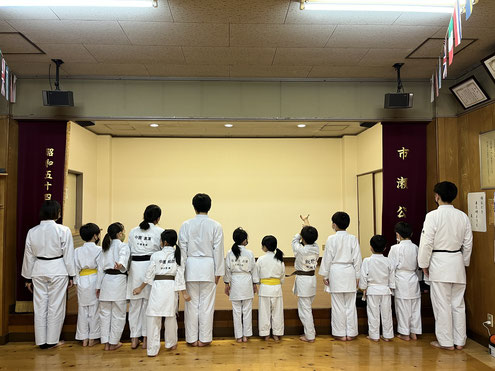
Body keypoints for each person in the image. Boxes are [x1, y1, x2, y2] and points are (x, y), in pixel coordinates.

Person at [418, 181, 473, 350]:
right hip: (457, 262)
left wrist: (423, 264)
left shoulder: (433, 216)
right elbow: (468, 242)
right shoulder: (462, 216)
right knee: (458, 304)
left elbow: (426, 243)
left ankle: (446, 342)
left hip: (439, 262)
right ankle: (459, 341)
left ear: (437, 196)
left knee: (442, 304)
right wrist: (464, 261)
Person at [21, 200, 75, 349]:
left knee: (40, 306)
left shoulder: (32, 231)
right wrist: (72, 275)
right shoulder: (63, 230)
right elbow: (68, 255)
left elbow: (28, 255)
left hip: (38, 269)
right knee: (55, 305)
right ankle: (52, 340)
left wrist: (27, 277)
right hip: (58, 269)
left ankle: (41, 341)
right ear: (56, 213)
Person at [133, 229, 191, 357]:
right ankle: (171, 343)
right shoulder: (179, 255)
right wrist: (184, 293)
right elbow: (180, 276)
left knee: (153, 317)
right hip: (171, 288)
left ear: (164, 242)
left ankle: (152, 349)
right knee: (170, 317)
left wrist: (140, 288)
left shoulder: (156, 255)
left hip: (158, 287)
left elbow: (149, 275)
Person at [179, 193, 224, 347]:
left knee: (191, 305)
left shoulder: (186, 224)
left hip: (191, 266)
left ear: (194, 207)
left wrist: (182, 271)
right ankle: (204, 339)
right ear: (209, 207)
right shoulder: (216, 225)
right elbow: (218, 250)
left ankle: (191, 339)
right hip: (208, 267)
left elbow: (182, 250)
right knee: (207, 305)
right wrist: (218, 272)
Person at [318, 211, 361, 341]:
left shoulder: (331, 239)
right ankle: (351, 333)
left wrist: (325, 275)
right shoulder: (353, 238)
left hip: (336, 272)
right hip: (350, 272)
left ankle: (340, 333)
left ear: (334, 225)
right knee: (350, 304)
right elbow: (357, 259)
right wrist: (358, 276)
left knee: (337, 305)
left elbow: (327, 258)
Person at [127, 204, 164, 349]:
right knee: (149, 305)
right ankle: (147, 339)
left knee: (135, 306)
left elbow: (129, 251)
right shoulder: (160, 231)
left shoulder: (133, 231)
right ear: (158, 218)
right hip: (151, 267)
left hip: (135, 268)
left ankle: (134, 339)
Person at [96, 222, 130, 351]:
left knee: (104, 314)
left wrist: (97, 287)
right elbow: (123, 258)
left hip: (105, 281)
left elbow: (100, 269)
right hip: (118, 281)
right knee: (118, 314)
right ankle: (114, 342)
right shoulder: (123, 246)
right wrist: (120, 264)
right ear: (119, 234)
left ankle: (106, 342)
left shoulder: (105, 247)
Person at [388, 222, 421, 341]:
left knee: (402, 307)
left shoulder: (395, 248)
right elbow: (418, 265)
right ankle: (414, 332)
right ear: (411, 233)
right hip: (413, 277)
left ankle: (404, 333)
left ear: (397, 234)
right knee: (415, 307)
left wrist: (391, 285)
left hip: (401, 278)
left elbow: (391, 267)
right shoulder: (416, 247)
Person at [224, 227, 257, 343]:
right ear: (244, 240)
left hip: (235, 282)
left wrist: (226, 283)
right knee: (247, 310)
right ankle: (246, 335)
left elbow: (227, 269)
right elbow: (254, 269)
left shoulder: (229, 253)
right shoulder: (250, 253)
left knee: (236, 310)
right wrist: (254, 283)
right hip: (247, 281)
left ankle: (238, 336)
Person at [359, 235, 395, 342]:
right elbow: (392, 277)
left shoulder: (367, 261)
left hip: (372, 290)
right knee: (387, 313)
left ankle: (374, 335)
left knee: (373, 313)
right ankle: (387, 335)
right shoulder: (389, 261)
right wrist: (392, 288)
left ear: (371, 247)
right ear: (385, 248)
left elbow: (364, 276)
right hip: (385, 290)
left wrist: (363, 288)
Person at [291, 215, 319, 343]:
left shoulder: (300, 250)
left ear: (303, 238)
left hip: (303, 281)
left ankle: (310, 335)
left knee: (305, 310)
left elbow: (294, 240)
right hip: (312, 280)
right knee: (307, 307)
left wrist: (301, 232)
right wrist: (306, 223)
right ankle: (310, 332)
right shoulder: (316, 248)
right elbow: (308, 237)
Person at [74, 223, 102, 347]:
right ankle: (93, 338)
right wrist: (100, 284)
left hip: (81, 279)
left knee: (82, 310)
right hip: (95, 279)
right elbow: (101, 268)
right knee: (94, 310)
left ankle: (83, 338)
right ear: (95, 236)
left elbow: (74, 268)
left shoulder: (77, 250)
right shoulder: (99, 250)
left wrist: (75, 283)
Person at [255, 235, 285, 341]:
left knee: (264, 312)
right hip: (277, 288)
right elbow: (282, 277)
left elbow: (256, 275)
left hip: (264, 288)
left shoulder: (261, 260)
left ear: (264, 247)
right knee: (277, 312)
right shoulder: (279, 260)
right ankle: (277, 333)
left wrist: (258, 282)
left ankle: (265, 333)